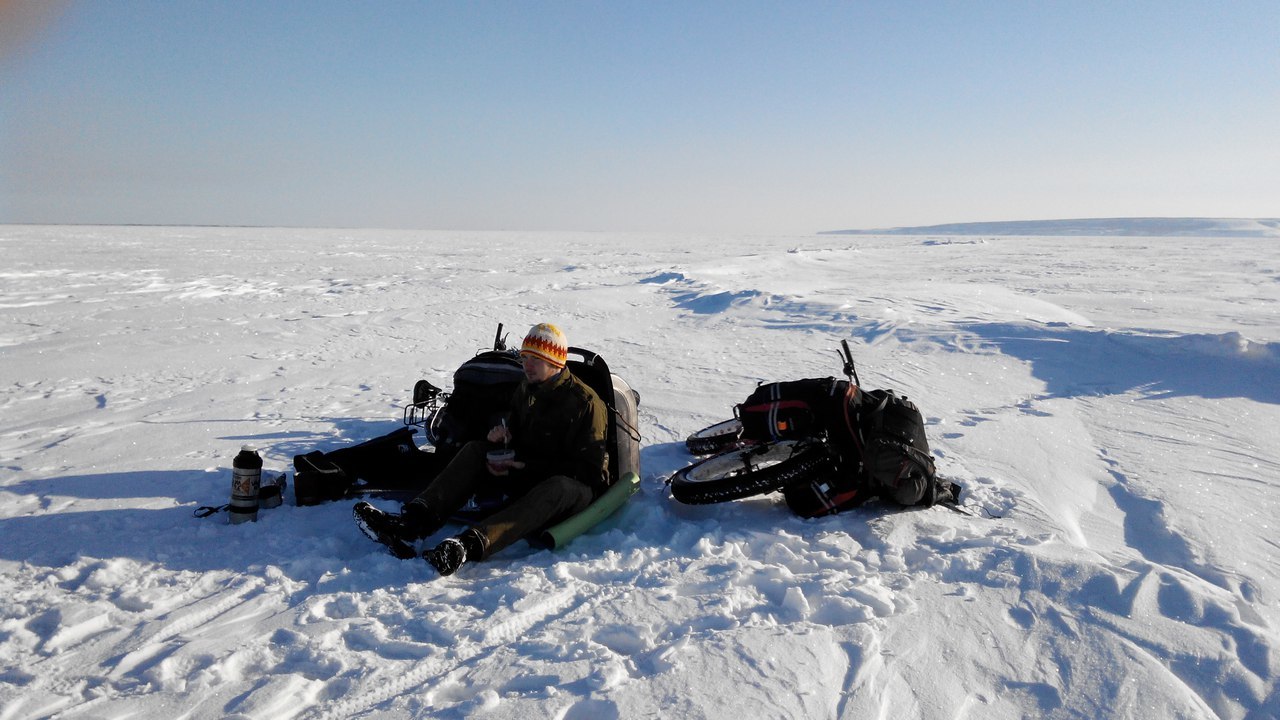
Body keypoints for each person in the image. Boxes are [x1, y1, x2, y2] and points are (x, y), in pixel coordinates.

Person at [353, 323, 610, 575]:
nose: (526, 365)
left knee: (559, 487)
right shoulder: (527, 387)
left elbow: (590, 472)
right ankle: (412, 524)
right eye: (524, 358)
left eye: (535, 359)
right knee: (476, 449)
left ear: (555, 362)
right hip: (530, 470)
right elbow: (520, 433)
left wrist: (526, 465)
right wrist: (503, 438)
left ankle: (467, 546)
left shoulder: (585, 403)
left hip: (573, 488)